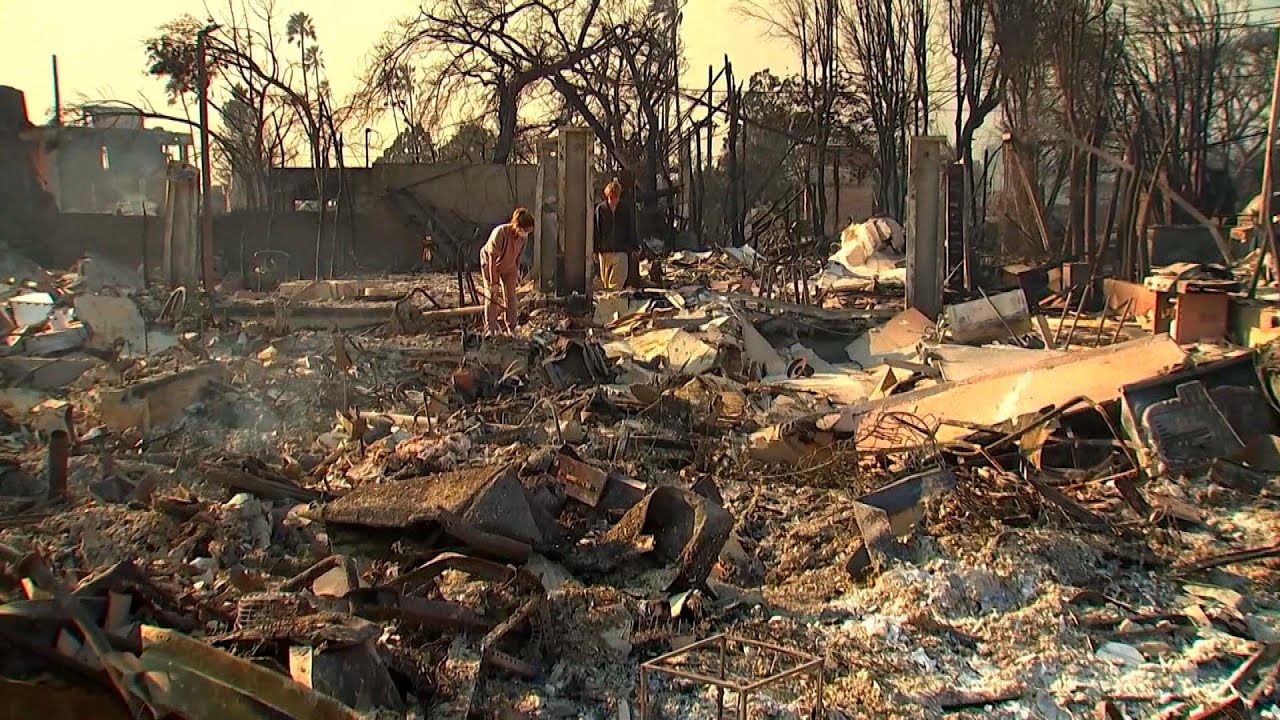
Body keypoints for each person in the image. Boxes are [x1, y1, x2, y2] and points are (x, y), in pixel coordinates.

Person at [480, 207, 535, 335]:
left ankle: (512, 326)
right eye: (525, 230)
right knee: (492, 296)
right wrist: (494, 283)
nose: (526, 233)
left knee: (511, 296)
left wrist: (515, 273)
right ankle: (490, 329)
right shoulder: (500, 233)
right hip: (491, 264)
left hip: (509, 265)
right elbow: (492, 258)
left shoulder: (523, 238)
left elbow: (517, 256)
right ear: (517, 226)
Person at [594, 179, 638, 290]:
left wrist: (634, 247)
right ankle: (610, 306)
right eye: (610, 197)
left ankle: (615, 303)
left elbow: (630, 228)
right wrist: (595, 249)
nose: (613, 200)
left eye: (615, 197)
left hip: (621, 252)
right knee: (606, 285)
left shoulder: (625, 209)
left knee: (616, 286)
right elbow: (596, 230)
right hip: (605, 252)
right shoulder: (600, 209)